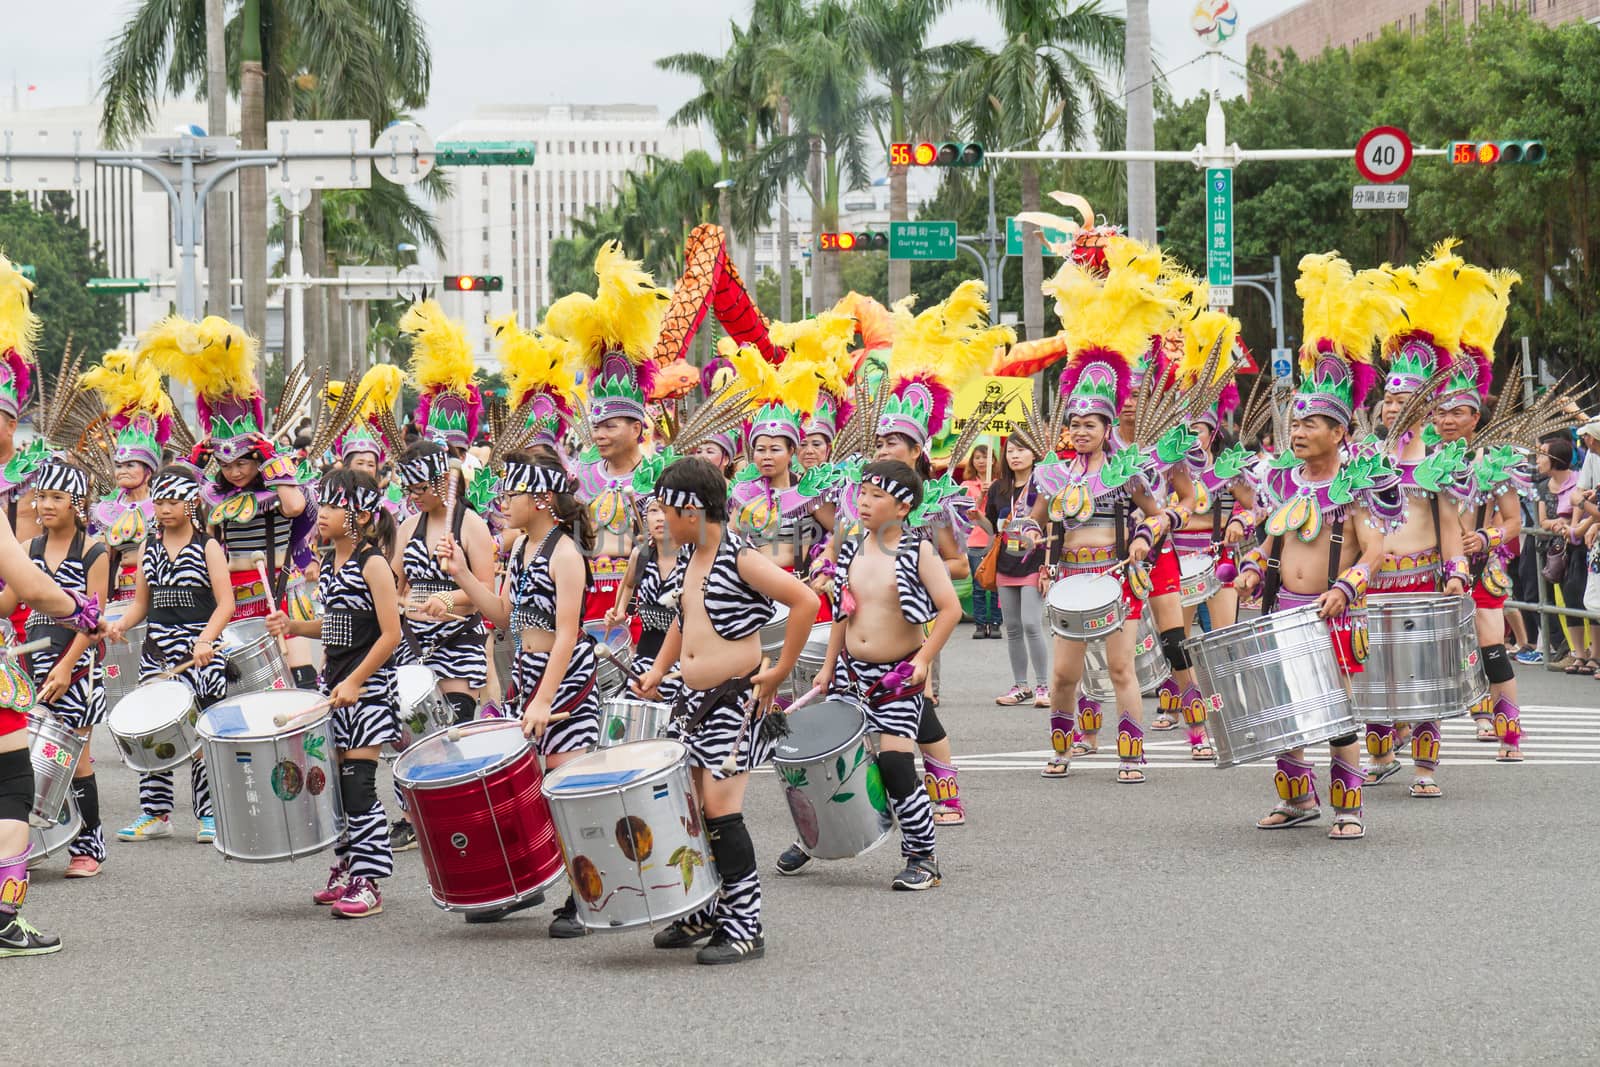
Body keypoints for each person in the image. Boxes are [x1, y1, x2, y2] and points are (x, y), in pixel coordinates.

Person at [1236, 252, 1395, 840]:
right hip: (1282, 608)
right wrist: (1253, 569)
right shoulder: (1281, 481)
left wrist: (1347, 585)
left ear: (1340, 433)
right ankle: (1296, 800)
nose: (1298, 432)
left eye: (1311, 425)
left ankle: (1349, 808)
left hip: (1332, 610)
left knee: (1334, 711)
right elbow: (1269, 538)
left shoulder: (1352, 487)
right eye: (1294, 425)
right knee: (1286, 710)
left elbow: (1373, 549)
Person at [634, 457, 818, 964]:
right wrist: (658, 670)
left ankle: (744, 926)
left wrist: (780, 670)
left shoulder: (740, 557)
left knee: (720, 812)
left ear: (690, 509)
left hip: (733, 701)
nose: (659, 517)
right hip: (691, 702)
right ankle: (706, 908)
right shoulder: (691, 555)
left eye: (664, 508)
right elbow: (682, 619)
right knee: (691, 809)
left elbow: (805, 602)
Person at [444, 451, 602, 934]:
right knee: (522, 793)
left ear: (543, 499)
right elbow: (504, 617)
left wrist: (543, 701)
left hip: (565, 679)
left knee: (566, 790)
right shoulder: (518, 549)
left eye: (512, 494)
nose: (504, 502)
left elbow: (568, 635)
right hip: (531, 674)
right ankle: (520, 884)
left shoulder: (566, 554)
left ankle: (585, 896)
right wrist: (461, 575)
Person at [799, 460, 959, 888]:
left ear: (903, 507)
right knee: (827, 762)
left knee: (895, 764)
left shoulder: (918, 550)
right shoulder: (850, 545)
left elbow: (951, 609)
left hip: (899, 677)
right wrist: (828, 667)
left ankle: (923, 858)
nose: (865, 503)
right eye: (863, 493)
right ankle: (817, 840)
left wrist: (924, 660)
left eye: (877, 496)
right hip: (851, 672)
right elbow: (841, 611)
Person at [1358, 247, 1478, 795]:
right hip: (1374, 582)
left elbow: (1450, 523)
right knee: (1375, 676)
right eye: (1386, 399)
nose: (1391, 408)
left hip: (1423, 579)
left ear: (1425, 410)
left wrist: (1455, 569)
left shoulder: (1438, 463)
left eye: (1403, 400)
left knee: (1425, 677)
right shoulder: (1363, 462)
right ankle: (1381, 754)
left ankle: (1426, 768)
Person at [145, 315, 316, 683]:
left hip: (280, 585)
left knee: (296, 677)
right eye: (227, 464)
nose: (236, 471)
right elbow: (173, 505)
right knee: (241, 684)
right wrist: (194, 461)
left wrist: (270, 456)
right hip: (232, 595)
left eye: (243, 462)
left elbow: (294, 507)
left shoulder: (279, 477)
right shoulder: (212, 491)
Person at [266, 469, 402, 919]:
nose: (320, 514)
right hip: (336, 686)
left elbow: (390, 634)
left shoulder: (373, 563)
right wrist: (294, 626)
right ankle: (345, 866)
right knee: (335, 790)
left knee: (358, 786)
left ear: (360, 515)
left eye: (332, 506)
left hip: (369, 689)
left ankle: (370, 881)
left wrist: (359, 680)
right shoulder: (330, 562)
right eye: (320, 504)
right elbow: (337, 625)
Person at [104, 465, 234, 842]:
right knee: (152, 731)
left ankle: (210, 813)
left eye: (173, 501)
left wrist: (206, 639)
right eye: (159, 502)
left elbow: (225, 603)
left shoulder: (208, 545)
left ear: (192, 502)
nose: (164, 509)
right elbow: (140, 604)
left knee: (201, 733)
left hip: (202, 652)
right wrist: (120, 626)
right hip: (158, 652)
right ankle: (155, 812)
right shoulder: (149, 546)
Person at [543, 244, 668, 631]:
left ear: (637, 428)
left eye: (611, 426)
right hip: (586, 591)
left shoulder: (660, 474)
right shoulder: (580, 474)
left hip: (642, 597)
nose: (600, 434)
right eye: (597, 426)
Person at [0, 456, 110, 876]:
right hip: (33, 659)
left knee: (76, 759)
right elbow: (12, 602)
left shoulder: (95, 550)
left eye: (57, 497)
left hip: (77, 663)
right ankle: (28, 843)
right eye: (40, 495)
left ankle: (89, 846)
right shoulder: (28, 548)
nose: (45, 505)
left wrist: (66, 668)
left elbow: (92, 618)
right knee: (33, 754)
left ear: (77, 503)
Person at [988, 437, 1049, 706]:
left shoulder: (1044, 485)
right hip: (1005, 564)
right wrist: (973, 516)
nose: (1014, 456)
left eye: (1021, 450)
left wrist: (1048, 567)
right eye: (1010, 451)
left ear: (1034, 454)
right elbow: (994, 529)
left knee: (1032, 624)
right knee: (1012, 628)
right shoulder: (998, 489)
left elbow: (1052, 528)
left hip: (1034, 564)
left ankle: (1044, 686)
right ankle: (1021, 686)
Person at [961, 443, 1002, 639]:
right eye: (977, 457)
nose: (981, 461)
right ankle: (979, 625)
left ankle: (995, 623)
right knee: (978, 585)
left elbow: (1001, 512)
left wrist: (992, 491)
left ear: (993, 461)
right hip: (975, 540)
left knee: (995, 583)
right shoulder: (966, 486)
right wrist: (982, 495)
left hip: (995, 538)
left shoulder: (1001, 484)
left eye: (985, 457)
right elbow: (967, 515)